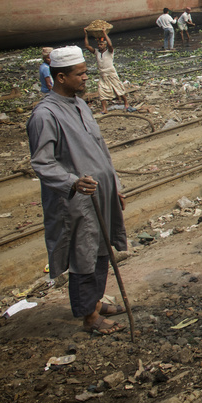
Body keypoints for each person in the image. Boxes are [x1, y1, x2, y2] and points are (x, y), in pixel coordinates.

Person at [27, 46, 127, 336]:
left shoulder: (80, 104)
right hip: (77, 200)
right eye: (79, 74)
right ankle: (89, 316)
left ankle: (93, 302)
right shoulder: (45, 116)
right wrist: (71, 181)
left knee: (101, 249)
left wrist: (115, 185)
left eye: (85, 72)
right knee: (84, 254)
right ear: (60, 77)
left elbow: (100, 150)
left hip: (101, 194)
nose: (85, 78)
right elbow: (42, 163)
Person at [83, 28, 131, 113]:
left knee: (118, 88)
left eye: (101, 44)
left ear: (104, 45)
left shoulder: (109, 51)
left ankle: (126, 103)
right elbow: (87, 46)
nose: (99, 46)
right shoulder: (97, 52)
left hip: (111, 73)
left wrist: (105, 33)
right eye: (98, 44)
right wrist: (86, 34)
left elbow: (110, 44)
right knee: (101, 90)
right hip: (102, 74)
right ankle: (104, 109)